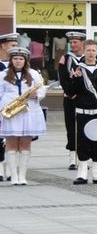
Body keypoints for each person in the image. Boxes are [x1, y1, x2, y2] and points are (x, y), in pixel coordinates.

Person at [63, 40, 97, 185]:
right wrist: (76, 79)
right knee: (82, 143)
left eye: (93, 50)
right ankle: (82, 173)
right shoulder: (78, 69)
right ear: (84, 51)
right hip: (82, 112)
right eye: (88, 50)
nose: (91, 53)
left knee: (96, 142)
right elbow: (71, 92)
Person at [0, 46, 47, 185]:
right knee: (11, 143)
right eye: (15, 58)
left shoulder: (34, 74)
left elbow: (42, 90)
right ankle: (13, 176)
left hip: (29, 112)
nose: (18, 61)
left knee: (25, 143)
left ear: (25, 60)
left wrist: (36, 94)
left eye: (21, 59)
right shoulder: (3, 75)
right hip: (10, 113)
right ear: (11, 60)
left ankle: (22, 176)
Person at [57, 30, 87, 170]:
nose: (73, 44)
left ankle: (83, 158)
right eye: (71, 42)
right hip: (70, 99)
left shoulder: (88, 58)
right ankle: (72, 158)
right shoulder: (66, 59)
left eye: (75, 42)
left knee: (83, 129)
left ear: (82, 43)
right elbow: (63, 79)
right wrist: (70, 93)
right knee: (71, 128)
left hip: (85, 99)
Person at [0, 32, 19, 181]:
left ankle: (11, 168)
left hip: (14, 108)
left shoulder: (18, 66)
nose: (15, 49)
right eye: (12, 46)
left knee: (12, 139)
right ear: (3, 46)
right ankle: (0, 169)